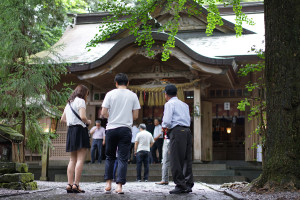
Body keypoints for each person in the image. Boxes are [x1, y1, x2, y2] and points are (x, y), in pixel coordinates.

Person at [101, 73, 141, 194]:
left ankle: (108, 184)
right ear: (127, 83)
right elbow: (135, 116)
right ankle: (119, 186)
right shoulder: (133, 95)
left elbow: (103, 112)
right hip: (125, 129)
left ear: (116, 83)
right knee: (123, 158)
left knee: (110, 157)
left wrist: (111, 117)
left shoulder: (110, 94)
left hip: (111, 128)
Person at [162, 84, 194, 194]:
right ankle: (188, 183)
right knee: (186, 159)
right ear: (176, 93)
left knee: (175, 159)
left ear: (166, 94)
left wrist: (164, 127)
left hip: (176, 131)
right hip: (187, 131)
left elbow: (166, 121)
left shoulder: (169, 104)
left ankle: (180, 185)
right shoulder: (184, 104)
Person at [60, 85, 91, 193]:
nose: (87, 97)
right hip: (80, 131)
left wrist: (71, 121)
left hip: (71, 131)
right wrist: (88, 122)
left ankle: (69, 184)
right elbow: (83, 117)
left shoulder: (69, 103)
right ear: (84, 93)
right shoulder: (81, 101)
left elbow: (63, 119)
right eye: (87, 94)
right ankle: (76, 185)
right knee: (80, 159)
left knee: (72, 159)